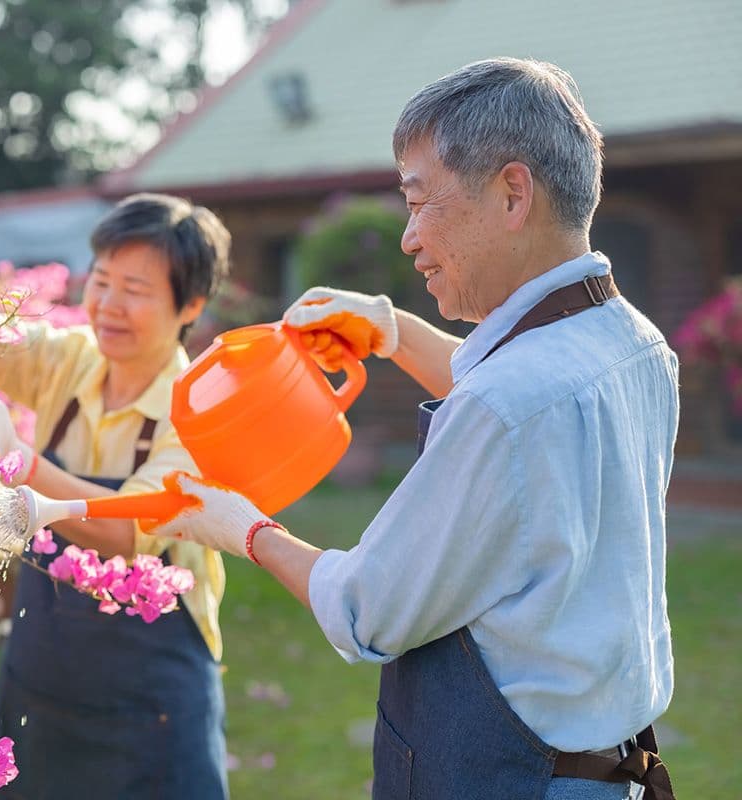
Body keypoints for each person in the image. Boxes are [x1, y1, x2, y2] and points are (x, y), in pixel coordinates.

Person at [150, 58, 678, 800]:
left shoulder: (506, 406)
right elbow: (526, 405)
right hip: (606, 767)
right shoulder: (633, 342)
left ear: (512, 193)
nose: (408, 237)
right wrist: (391, 330)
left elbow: (371, 608)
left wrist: (242, 529)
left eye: (420, 200)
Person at [0, 193, 233, 799]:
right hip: (42, 674)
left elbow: (127, 532)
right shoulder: (71, 361)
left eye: (135, 289)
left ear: (191, 305)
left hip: (152, 701)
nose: (108, 305)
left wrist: (22, 464)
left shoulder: (201, 408)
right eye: (101, 281)